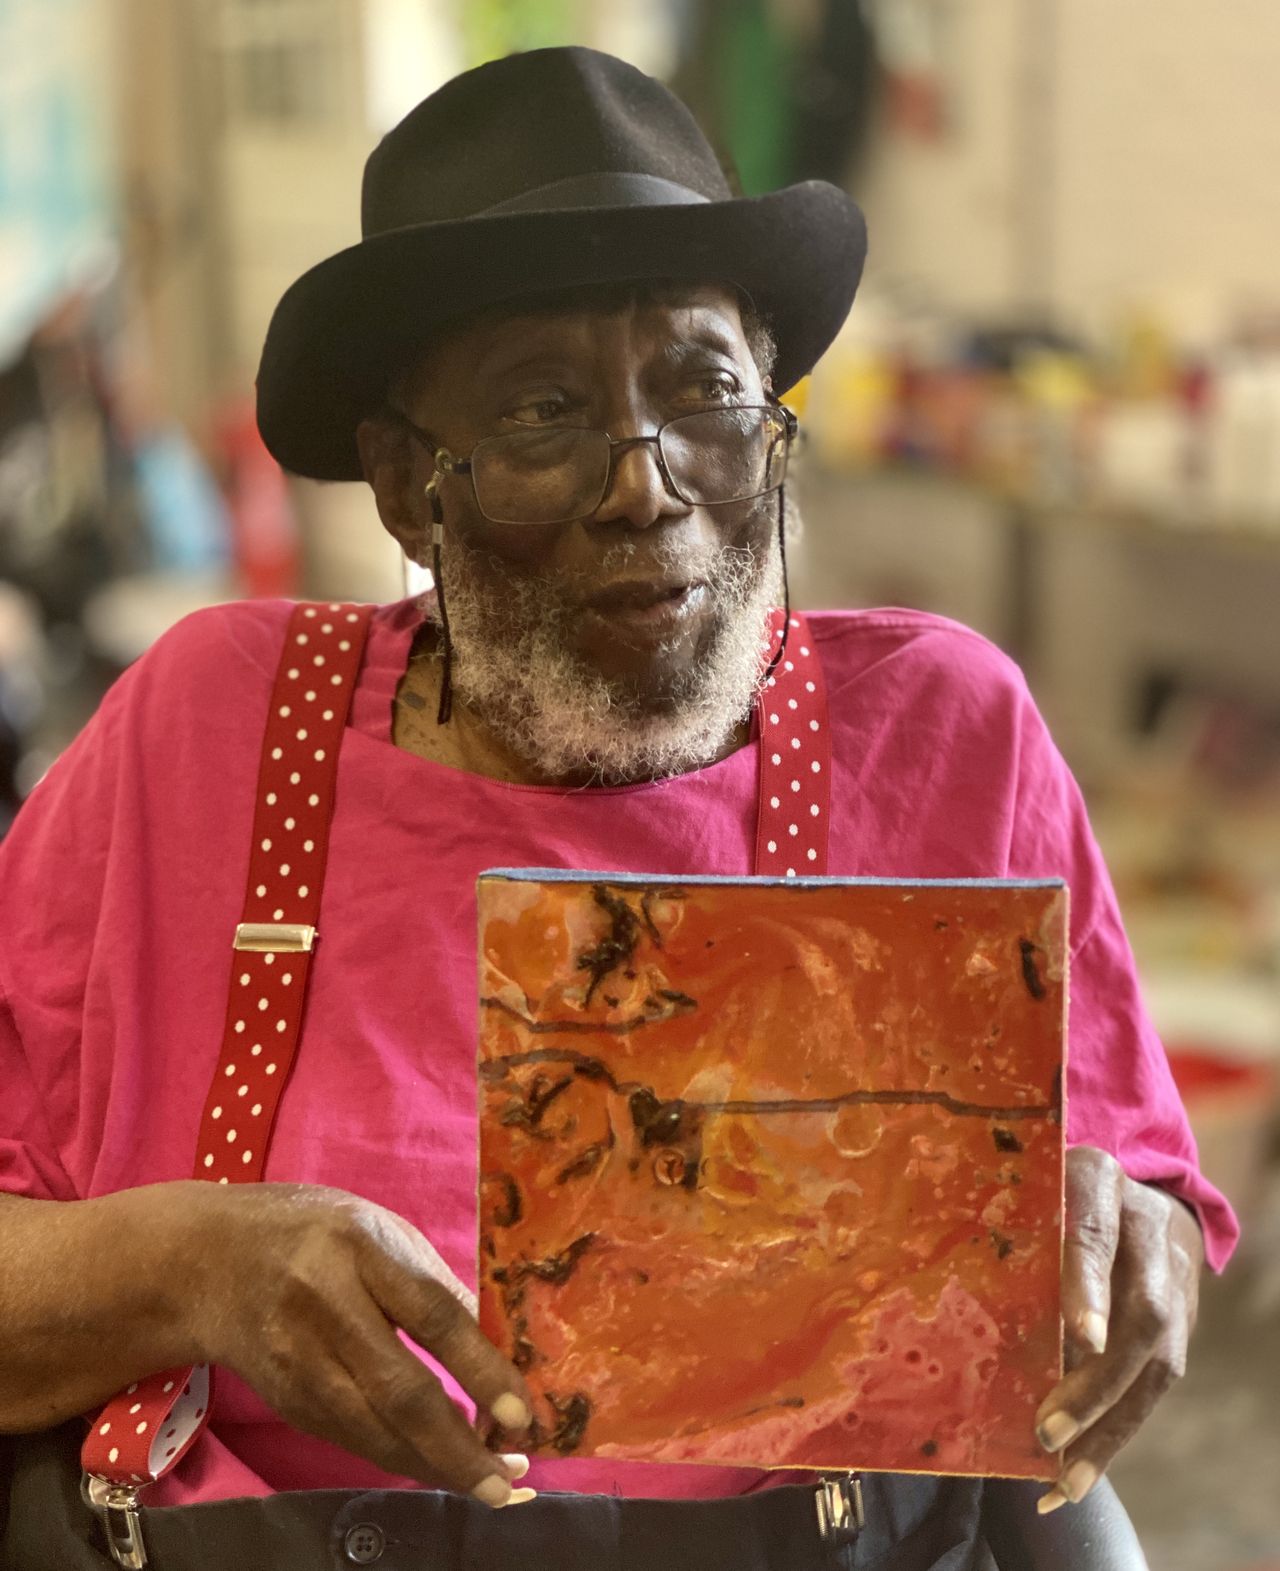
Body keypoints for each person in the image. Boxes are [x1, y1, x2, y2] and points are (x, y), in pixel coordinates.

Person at [0, 45, 1236, 1571]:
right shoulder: (210, 728)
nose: (644, 485)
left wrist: (1124, 1247)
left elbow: (1142, 1206)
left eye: (704, 391)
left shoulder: (941, 730)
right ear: (403, 487)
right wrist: (185, 1265)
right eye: (539, 410)